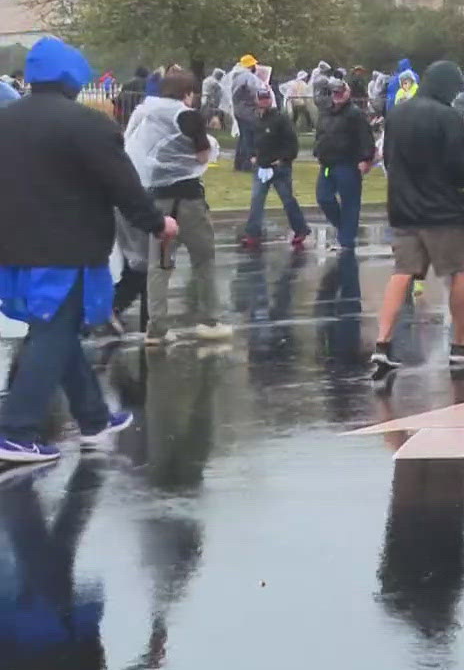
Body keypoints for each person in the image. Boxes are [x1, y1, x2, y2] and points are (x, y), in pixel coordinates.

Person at [0, 37, 175, 462]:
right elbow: (122, 184)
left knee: (57, 330)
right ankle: (17, 431)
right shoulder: (88, 124)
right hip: (67, 249)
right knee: (54, 332)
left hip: (12, 248)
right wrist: (158, 222)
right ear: (73, 77)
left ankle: (95, 418)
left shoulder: (5, 120)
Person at [371, 61, 464, 372]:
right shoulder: (447, 117)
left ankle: (382, 343)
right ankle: (461, 344)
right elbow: (460, 169)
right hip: (442, 211)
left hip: (404, 208)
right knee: (458, 273)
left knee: (402, 273)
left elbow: (390, 160)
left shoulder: (396, 115)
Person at [122, 69, 221, 343]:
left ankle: (156, 328)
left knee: (160, 264)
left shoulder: (148, 113)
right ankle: (210, 321)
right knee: (204, 258)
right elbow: (202, 156)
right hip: (189, 201)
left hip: (157, 200)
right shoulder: (188, 116)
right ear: (188, 92)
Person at [241, 88, 311, 251]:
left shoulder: (281, 119)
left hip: (279, 168)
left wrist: (283, 159)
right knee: (256, 200)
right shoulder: (255, 120)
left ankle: (301, 229)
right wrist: (252, 155)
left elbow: (292, 142)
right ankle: (252, 234)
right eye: (261, 98)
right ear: (257, 100)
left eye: (267, 98)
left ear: (270, 100)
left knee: (288, 200)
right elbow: (249, 140)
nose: (264, 101)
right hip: (261, 167)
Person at [314, 79, 375, 252]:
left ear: (347, 93)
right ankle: (345, 228)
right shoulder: (325, 112)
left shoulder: (355, 114)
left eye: (341, 92)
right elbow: (320, 133)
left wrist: (366, 159)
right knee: (324, 197)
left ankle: (346, 241)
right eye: (335, 93)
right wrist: (317, 151)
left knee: (350, 202)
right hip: (327, 164)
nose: (337, 96)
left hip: (348, 164)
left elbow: (366, 138)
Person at [228, 56, 263, 172]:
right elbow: (255, 92)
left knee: (243, 137)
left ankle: (238, 164)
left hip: (238, 110)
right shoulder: (249, 77)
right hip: (248, 110)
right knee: (249, 138)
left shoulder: (236, 77)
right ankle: (248, 164)